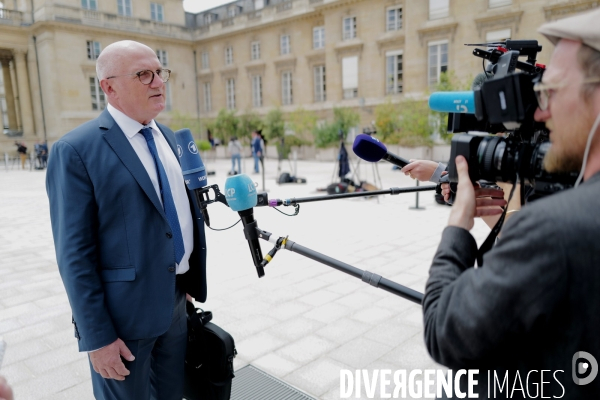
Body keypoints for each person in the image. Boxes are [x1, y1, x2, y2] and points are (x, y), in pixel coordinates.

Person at [423, 9, 600, 398]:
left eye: (550, 91)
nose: (539, 113)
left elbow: (443, 330)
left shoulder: (556, 228)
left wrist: (457, 227)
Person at [46, 40, 207, 400]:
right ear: (109, 86)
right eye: (143, 75)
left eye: (159, 72)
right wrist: (97, 336)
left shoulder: (167, 136)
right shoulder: (76, 150)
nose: (158, 82)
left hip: (175, 305)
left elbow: (175, 217)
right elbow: (74, 255)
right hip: (122, 323)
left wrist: (188, 278)